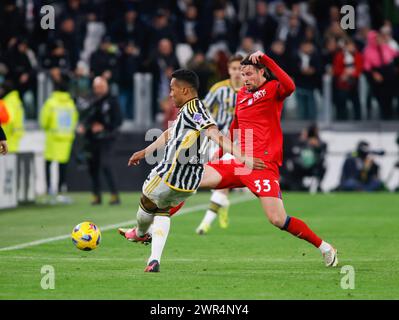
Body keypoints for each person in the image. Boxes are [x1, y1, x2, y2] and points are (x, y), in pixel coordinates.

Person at [118, 69, 265, 272]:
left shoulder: (194, 110)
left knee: (145, 202)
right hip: (189, 183)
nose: (170, 94)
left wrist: (243, 157)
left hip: (169, 174)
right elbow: (171, 132)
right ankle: (154, 260)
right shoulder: (189, 111)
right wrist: (145, 151)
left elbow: (214, 133)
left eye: (172, 89)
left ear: (185, 91)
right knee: (162, 211)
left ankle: (140, 232)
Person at [196, 54, 243, 235]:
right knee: (220, 182)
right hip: (219, 139)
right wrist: (204, 126)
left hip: (241, 141)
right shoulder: (219, 89)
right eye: (233, 69)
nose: (237, 73)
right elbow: (202, 109)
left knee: (223, 182)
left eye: (240, 68)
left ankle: (205, 224)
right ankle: (223, 204)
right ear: (228, 70)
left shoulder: (252, 90)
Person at [77, 76, 123, 205]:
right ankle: (96, 195)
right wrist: (84, 126)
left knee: (106, 164)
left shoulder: (112, 101)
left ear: (106, 86)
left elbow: (118, 120)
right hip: (91, 139)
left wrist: (104, 127)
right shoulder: (90, 100)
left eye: (101, 86)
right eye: (97, 87)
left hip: (107, 138)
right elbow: (85, 117)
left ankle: (114, 195)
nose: (99, 89)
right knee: (93, 166)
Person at [40, 73, 78, 202]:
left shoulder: (51, 103)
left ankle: (49, 190)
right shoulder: (70, 103)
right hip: (66, 139)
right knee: (63, 166)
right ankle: (62, 191)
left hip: (53, 137)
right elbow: (74, 120)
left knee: (49, 163)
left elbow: (43, 121)